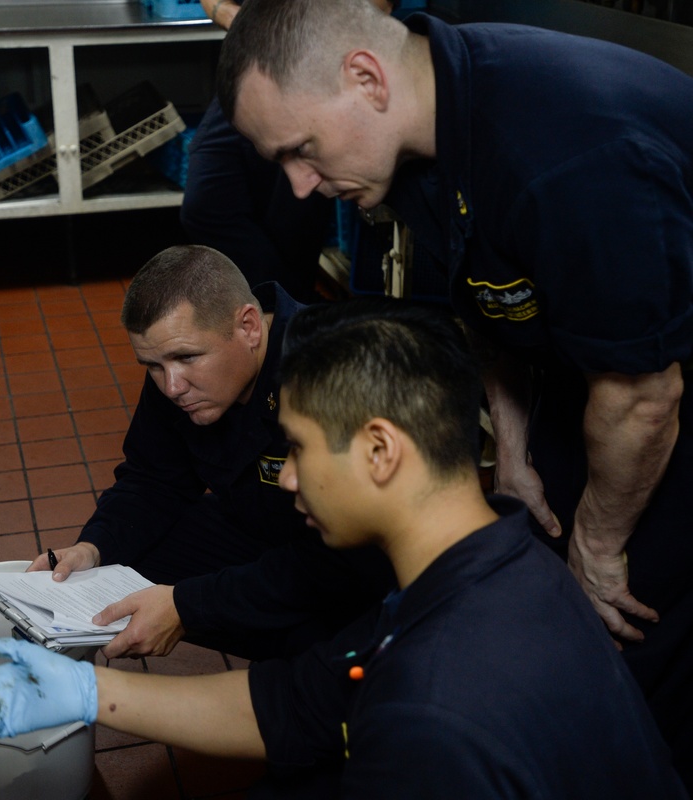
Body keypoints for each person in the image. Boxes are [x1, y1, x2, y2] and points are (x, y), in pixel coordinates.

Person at [214, 0, 693, 783]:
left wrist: (600, 547)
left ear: (365, 79)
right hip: (602, 387)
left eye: (302, 150)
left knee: (630, 649)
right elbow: (494, 299)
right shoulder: (416, 140)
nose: (300, 186)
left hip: (655, 395)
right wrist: (512, 448)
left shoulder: (563, 148)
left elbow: (644, 396)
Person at [0, 298, 687, 798]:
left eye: (298, 447)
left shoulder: (429, 719)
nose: (288, 474)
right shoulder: (501, 563)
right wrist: (87, 694)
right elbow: (299, 701)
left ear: (379, 451)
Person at [28, 244, 393, 660]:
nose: (171, 387)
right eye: (152, 365)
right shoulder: (176, 369)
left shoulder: (336, 368)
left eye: (186, 358)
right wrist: (92, 548)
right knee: (123, 558)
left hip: (354, 571)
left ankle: (320, 676)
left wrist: (189, 606)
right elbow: (151, 479)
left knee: (332, 649)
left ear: (250, 327)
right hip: (264, 534)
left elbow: (347, 558)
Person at [177, 0, 395, 301]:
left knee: (294, 210)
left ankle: (289, 318)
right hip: (256, 62)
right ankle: (285, 308)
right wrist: (242, 21)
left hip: (319, 68)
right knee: (205, 204)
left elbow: (378, 8)